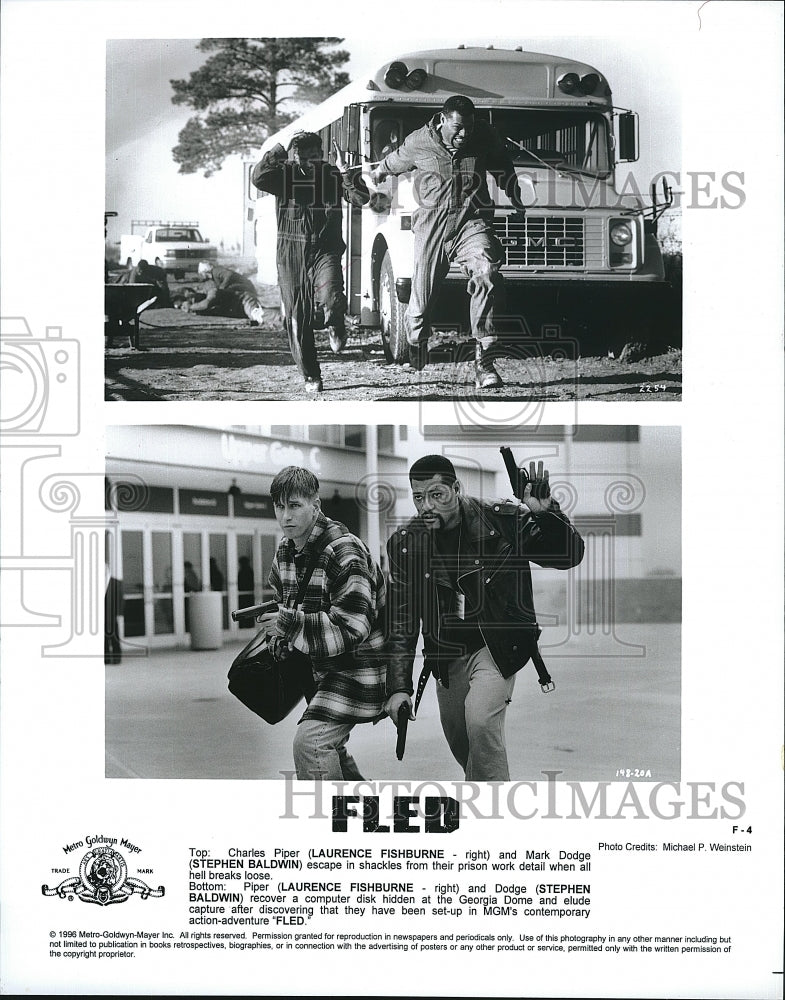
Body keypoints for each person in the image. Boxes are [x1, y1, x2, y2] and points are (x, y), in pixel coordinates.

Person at [383, 454, 584, 781]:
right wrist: (398, 686)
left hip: (497, 648)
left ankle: (493, 817)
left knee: (480, 721)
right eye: (419, 497)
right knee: (465, 745)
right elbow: (402, 620)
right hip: (446, 657)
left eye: (437, 495)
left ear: (456, 488)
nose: (427, 506)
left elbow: (568, 555)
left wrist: (546, 512)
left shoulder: (501, 519)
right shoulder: (406, 544)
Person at [370, 95, 526, 389]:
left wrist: (513, 192)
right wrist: (380, 171)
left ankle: (485, 361)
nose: (463, 135)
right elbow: (395, 160)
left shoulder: (482, 136)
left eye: (468, 127)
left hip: (471, 220)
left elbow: (502, 164)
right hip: (432, 226)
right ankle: (416, 339)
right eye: (457, 128)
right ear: (442, 120)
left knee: (487, 271)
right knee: (421, 298)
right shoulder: (419, 141)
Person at [254, 466, 386, 780]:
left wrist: (288, 624)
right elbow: (284, 599)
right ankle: (362, 811)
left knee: (311, 743)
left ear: (316, 505)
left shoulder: (344, 549)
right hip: (320, 667)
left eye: (295, 505)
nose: (286, 515)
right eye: (280, 506)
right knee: (330, 748)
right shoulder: (285, 551)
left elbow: (352, 627)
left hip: (360, 666)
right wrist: (278, 634)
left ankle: (328, 823)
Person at [251, 133, 370, 393]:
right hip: (290, 254)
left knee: (332, 297)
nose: (306, 163)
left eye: (312, 158)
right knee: (296, 318)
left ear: (321, 153)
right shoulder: (283, 174)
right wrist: (279, 149)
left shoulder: (331, 174)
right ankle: (311, 375)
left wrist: (345, 172)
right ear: (293, 156)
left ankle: (336, 323)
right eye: (301, 158)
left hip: (325, 249)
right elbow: (258, 177)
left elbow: (362, 199)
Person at [184, 262, 268, 326]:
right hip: (242, 296)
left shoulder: (216, 272)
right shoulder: (214, 280)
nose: (202, 276)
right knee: (255, 312)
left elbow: (229, 275)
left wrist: (222, 288)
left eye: (202, 274)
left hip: (244, 294)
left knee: (257, 312)